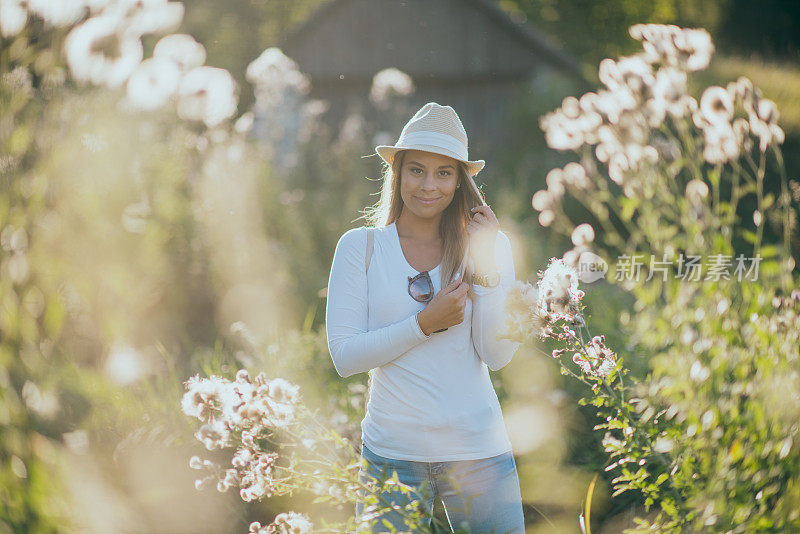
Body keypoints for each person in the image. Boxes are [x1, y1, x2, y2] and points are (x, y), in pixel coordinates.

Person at [325, 102, 524, 533]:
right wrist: (423, 324)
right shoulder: (360, 248)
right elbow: (344, 356)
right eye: (416, 170)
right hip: (393, 460)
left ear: (459, 181)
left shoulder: (490, 243)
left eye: (443, 173)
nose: (428, 185)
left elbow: (497, 355)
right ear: (396, 173)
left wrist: (487, 267)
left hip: (479, 455)